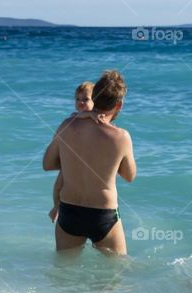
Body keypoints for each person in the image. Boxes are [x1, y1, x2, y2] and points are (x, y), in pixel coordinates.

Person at [43, 70, 136, 255]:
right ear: (119, 105)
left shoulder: (67, 125)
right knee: (114, 277)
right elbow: (129, 176)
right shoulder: (121, 137)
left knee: (64, 274)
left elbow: (48, 164)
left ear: (93, 97)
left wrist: (74, 161)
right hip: (103, 215)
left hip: (69, 210)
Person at [49, 81, 94, 223]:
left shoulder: (97, 117)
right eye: (77, 99)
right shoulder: (75, 116)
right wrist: (88, 115)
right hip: (69, 159)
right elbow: (76, 116)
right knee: (58, 187)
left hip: (87, 162)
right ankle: (56, 207)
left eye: (85, 99)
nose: (80, 103)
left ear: (95, 101)